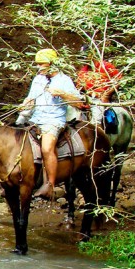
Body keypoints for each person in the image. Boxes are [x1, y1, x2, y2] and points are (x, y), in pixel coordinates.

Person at [15, 48, 82, 200]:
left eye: (42, 64)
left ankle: (50, 185)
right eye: (38, 65)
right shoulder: (38, 79)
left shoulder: (64, 80)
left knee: (46, 148)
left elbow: (79, 103)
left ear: (52, 64)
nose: (39, 68)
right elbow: (31, 98)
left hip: (54, 120)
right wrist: (24, 104)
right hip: (35, 118)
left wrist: (62, 94)